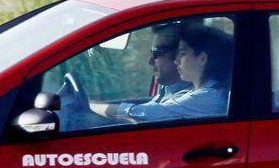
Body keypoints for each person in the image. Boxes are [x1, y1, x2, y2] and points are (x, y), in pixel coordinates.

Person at [97, 24, 233, 122]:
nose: (176, 61)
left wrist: (90, 107)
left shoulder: (209, 98)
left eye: (182, 54)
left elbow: (145, 114)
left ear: (202, 58)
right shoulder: (197, 93)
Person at [146, 23, 192, 102]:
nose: (150, 61)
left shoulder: (191, 99)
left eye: (156, 52)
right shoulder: (165, 92)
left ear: (179, 55)